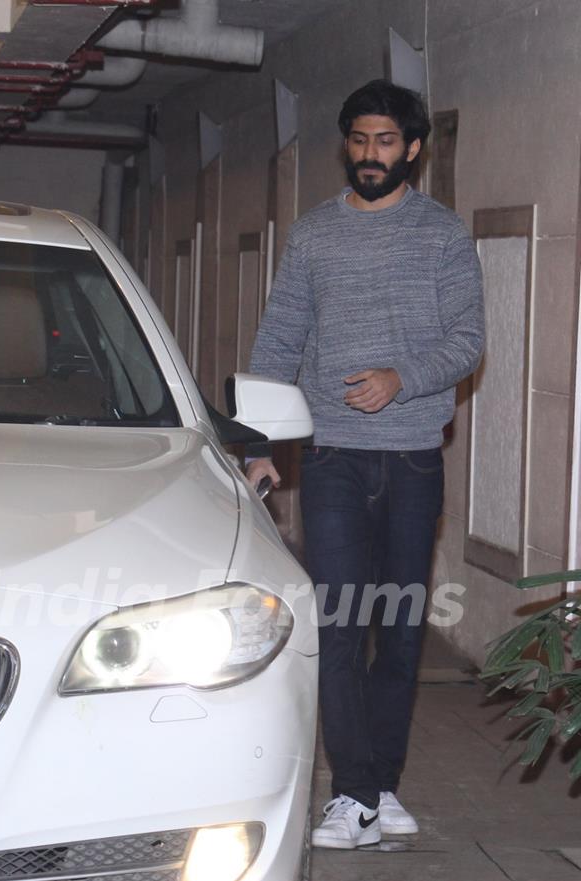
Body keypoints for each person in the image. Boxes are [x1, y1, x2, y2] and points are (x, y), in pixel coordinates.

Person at [247, 79, 485, 850]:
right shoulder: (315, 234)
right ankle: (350, 791)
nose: (370, 155)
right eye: (359, 140)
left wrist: (402, 377)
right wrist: (259, 443)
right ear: (346, 145)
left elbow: (467, 339)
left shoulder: (442, 235)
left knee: (402, 628)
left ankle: (381, 784)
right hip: (336, 457)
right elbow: (280, 336)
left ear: (411, 148)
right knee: (342, 623)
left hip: (414, 457)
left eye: (386, 142)